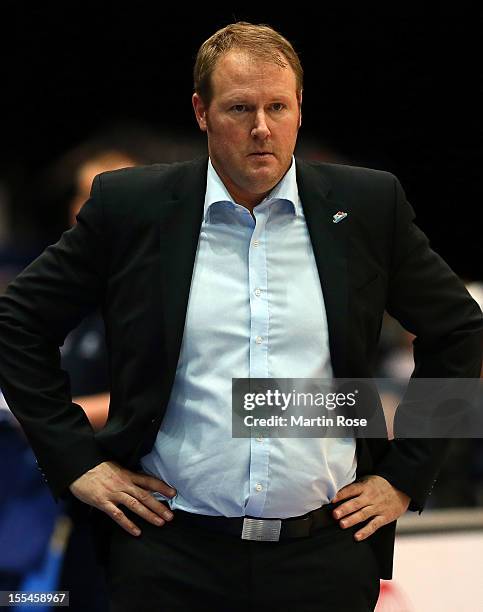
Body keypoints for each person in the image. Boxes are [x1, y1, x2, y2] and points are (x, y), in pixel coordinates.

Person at [0, 21, 481, 612]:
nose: (261, 128)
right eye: (239, 108)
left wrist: (407, 474)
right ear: (201, 112)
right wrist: (77, 461)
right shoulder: (133, 207)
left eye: (277, 106)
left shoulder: (366, 206)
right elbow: (15, 323)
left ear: (300, 108)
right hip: (169, 556)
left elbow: (460, 331)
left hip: (324, 557)